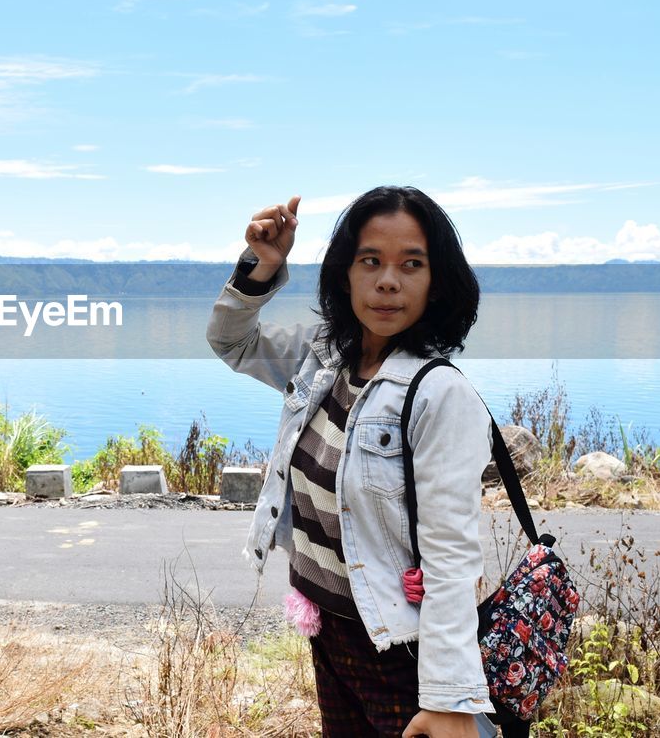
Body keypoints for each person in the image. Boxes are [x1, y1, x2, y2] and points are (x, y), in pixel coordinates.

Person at [206, 187, 501, 737]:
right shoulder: (326, 357)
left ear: (437, 283)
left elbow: (453, 554)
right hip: (330, 631)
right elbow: (232, 341)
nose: (388, 281)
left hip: (397, 650)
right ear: (345, 273)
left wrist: (449, 701)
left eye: (411, 264)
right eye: (371, 262)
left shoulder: (437, 394)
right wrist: (262, 266)